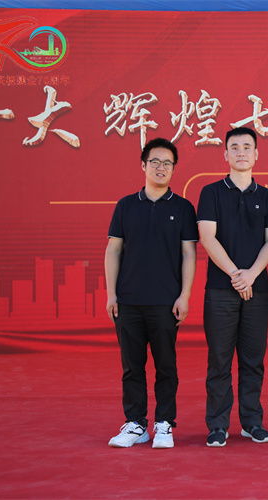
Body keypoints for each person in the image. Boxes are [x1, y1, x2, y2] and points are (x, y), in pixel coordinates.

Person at [105, 137, 198, 449]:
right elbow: (113, 250)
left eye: (167, 163)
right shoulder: (126, 206)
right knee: (132, 367)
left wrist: (184, 295)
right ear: (143, 165)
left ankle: (164, 424)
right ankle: (135, 424)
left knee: (165, 366)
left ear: (173, 168)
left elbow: (188, 254)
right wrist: (111, 294)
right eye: (155, 162)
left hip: (165, 302)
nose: (161, 167)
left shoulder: (183, 208)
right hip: (128, 301)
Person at [196, 127, 268, 447]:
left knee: (252, 359)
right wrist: (236, 274)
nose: (241, 152)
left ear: (256, 154)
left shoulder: (267, 197)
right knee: (219, 359)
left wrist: (252, 275)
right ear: (226, 154)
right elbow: (208, 237)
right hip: (221, 289)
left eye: (247, 147)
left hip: (257, 289)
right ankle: (218, 425)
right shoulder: (211, 193)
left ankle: (251, 422)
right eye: (235, 147)